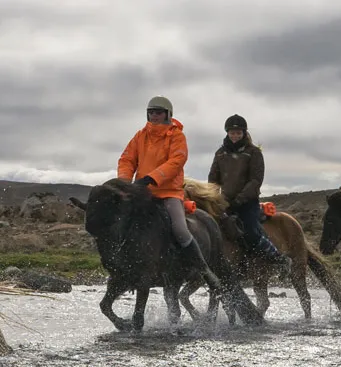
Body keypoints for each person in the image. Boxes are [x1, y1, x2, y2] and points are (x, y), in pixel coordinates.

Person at [119, 96, 217, 279]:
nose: (154, 116)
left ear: (167, 114)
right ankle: (122, 268)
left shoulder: (177, 136)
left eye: (158, 112)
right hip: (143, 192)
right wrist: (124, 182)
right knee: (123, 223)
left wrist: (151, 178)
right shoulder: (140, 136)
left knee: (180, 229)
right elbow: (127, 159)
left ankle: (204, 269)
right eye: (151, 113)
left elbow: (177, 161)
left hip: (169, 193)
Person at [208, 114, 285, 267]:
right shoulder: (220, 153)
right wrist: (215, 197)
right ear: (227, 133)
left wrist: (240, 199)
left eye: (238, 133)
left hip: (247, 202)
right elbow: (213, 179)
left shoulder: (254, 152)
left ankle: (278, 259)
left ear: (244, 133)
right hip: (225, 202)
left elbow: (256, 180)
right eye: (232, 132)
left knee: (251, 232)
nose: (235, 136)